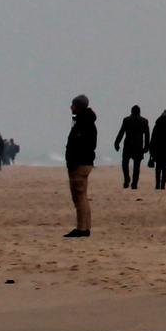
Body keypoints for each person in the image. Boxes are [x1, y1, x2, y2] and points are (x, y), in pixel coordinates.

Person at [63, 95, 97, 237]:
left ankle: (82, 228)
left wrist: (72, 162)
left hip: (80, 164)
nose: (71, 107)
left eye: (74, 105)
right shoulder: (86, 122)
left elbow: (79, 146)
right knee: (82, 195)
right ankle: (85, 226)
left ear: (79, 107)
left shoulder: (84, 124)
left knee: (79, 197)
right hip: (84, 163)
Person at [113, 105, 150, 189]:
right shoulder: (144, 121)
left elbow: (121, 132)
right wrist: (146, 146)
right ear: (139, 112)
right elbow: (147, 135)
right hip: (138, 146)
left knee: (125, 163)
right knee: (137, 166)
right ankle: (134, 183)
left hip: (128, 145)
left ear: (131, 111)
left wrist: (117, 143)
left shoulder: (127, 120)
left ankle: (126, 178)